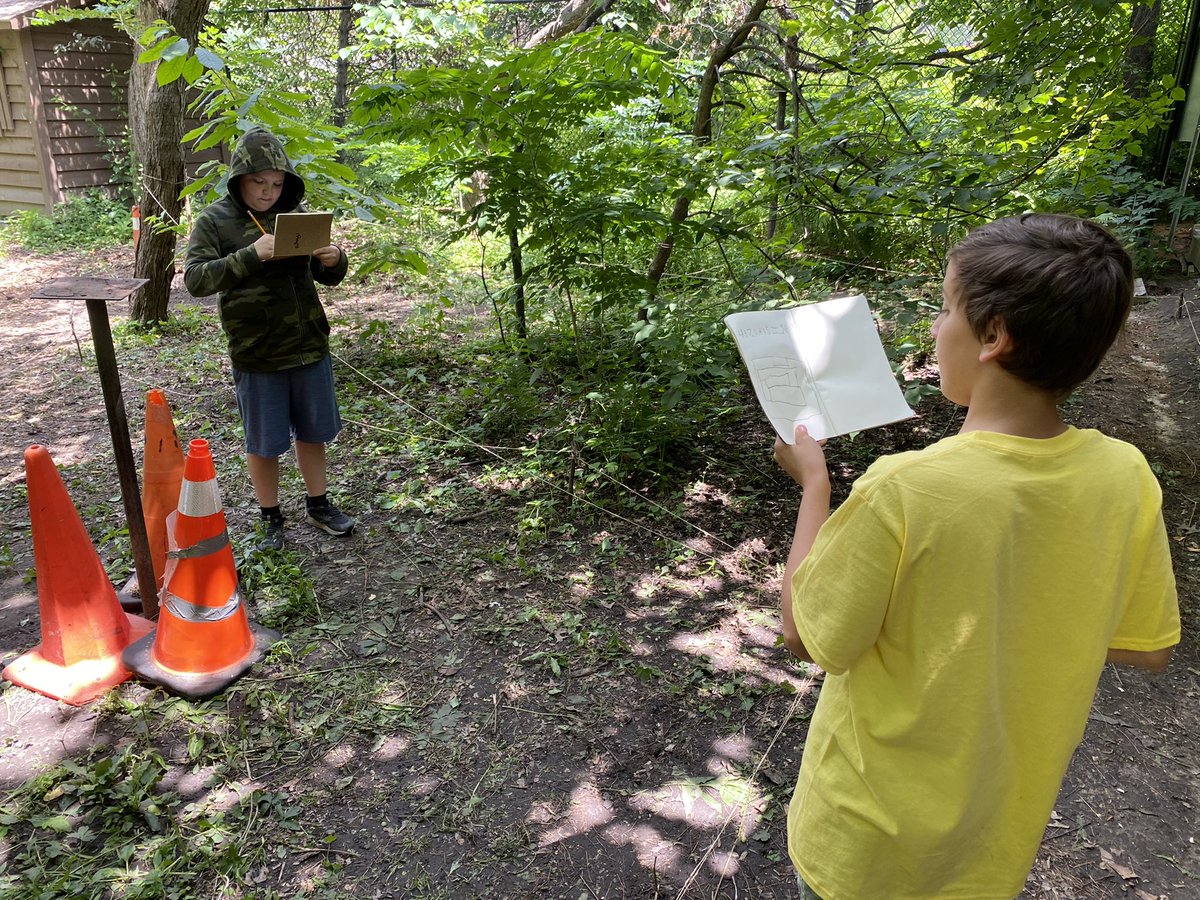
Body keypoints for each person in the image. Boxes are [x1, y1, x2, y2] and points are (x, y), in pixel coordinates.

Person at [772, 213, 1180, 899]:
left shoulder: (905, 487)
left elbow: (805, 635)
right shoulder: (1124, 474)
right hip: (993, 840)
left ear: (994, 336)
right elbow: (1146, 646)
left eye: (945, 308)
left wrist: (815, 486)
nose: (935, 328)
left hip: (866, 845)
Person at [184, 127, 354, 552]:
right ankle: (270, 517)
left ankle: (319, 505)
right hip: (256, 352)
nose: (267, 192)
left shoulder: (295, 216)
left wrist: (334, 260)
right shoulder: (215, 220)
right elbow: (195, 279)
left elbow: (324, 275)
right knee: (264, 442)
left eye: (277, 184)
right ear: (239, 177)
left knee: (313, 433)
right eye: (259, 182)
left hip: (308, 344)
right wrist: (251, 254)